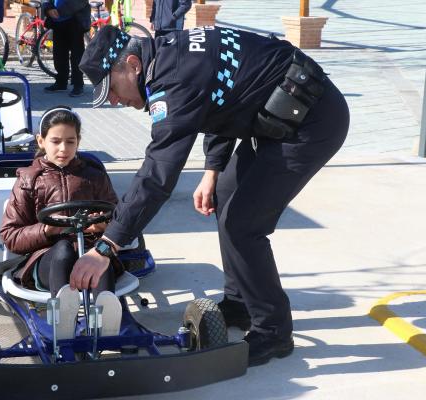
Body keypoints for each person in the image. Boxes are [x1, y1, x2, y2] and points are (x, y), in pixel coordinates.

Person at [75, 26, 350, 365]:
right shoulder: (170, 51)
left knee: (243, 225)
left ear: (132, 64)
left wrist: (108, 245)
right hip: (274, 115)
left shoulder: (172, 80)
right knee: (225, 193)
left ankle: (273, 330)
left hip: (311, 123)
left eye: (113, 89)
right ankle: (240, 303)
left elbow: (157, 175)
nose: (115, 101)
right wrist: (212, 169)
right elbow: (222, 95)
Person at [0, 106, 123, 336]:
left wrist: (103, 225)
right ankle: (64, 316)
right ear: (41, 140)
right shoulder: (29, 180)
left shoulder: (93, 175)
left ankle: (107, 320)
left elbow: (119, 218)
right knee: (64, 249)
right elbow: (10, 236)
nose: (63, 149)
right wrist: (46, 229)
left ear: (78, 141)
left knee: (96, 254)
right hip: (47, 259)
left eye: (70, 142)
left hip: (90, 252)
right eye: (55, 141)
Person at [42, 0, 91, 97]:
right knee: (59, 53)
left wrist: (59, 11)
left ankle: (78, 84)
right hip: (58, 21)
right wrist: (49, 8)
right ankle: (61, 82)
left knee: (77, 54)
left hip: (75, 20)